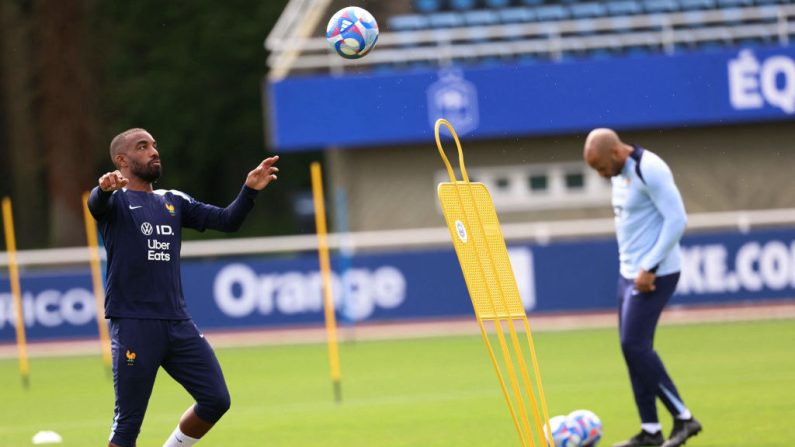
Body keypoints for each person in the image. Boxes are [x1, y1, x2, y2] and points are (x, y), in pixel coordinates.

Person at [88, 128, 279, 447]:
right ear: (122, 160)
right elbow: (97, 205)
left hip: (178, 323)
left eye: (154, 145)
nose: (153, 151)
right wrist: (104, 189)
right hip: (135, 323)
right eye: (143, 146)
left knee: (217, 400)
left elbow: (227, 221)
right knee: (127, 426)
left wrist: (249, 190)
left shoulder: (173, 201)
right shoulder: (115, 202)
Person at [583, 129, 702, 447]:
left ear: (617, 153)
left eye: (601, 167)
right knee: (632, 351)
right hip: (629, 274)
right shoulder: (618, 173)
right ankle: (650, 430)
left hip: (654, 274)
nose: (600, 174)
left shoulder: (649, 168)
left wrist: (649, 266)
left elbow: (676, 220)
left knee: (634, 346)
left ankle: (684, 418)